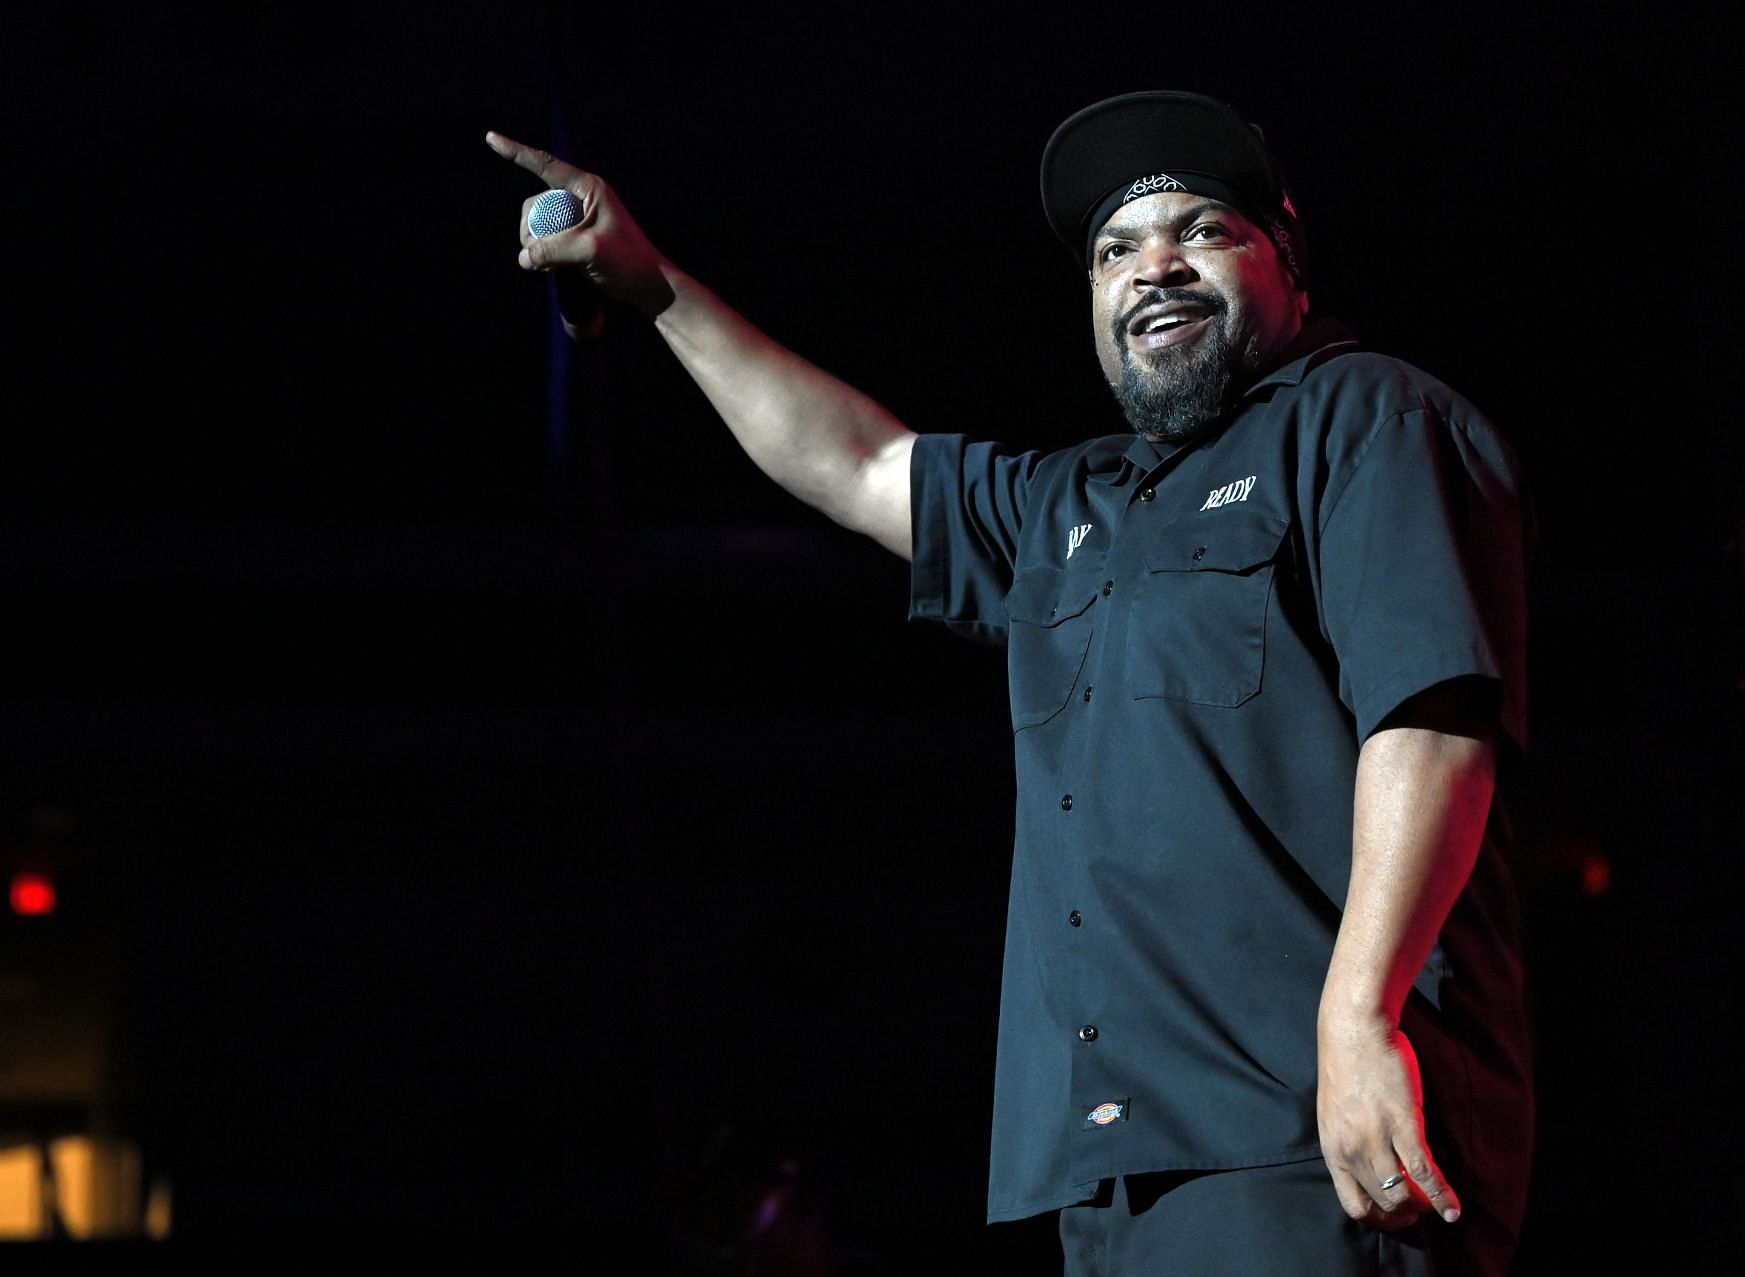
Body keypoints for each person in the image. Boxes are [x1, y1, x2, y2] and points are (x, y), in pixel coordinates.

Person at [488, 88, 1535, 1275]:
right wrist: (651, 283)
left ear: (1286, 259)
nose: (1154, 267)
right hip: (1115, 1171)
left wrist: (1357, 1018)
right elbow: (861, 460)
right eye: (1114, 251)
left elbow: (1434, 720)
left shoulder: (1364, 416)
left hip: (1300, 1136)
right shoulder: (1069, 505)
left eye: (1200, 230)